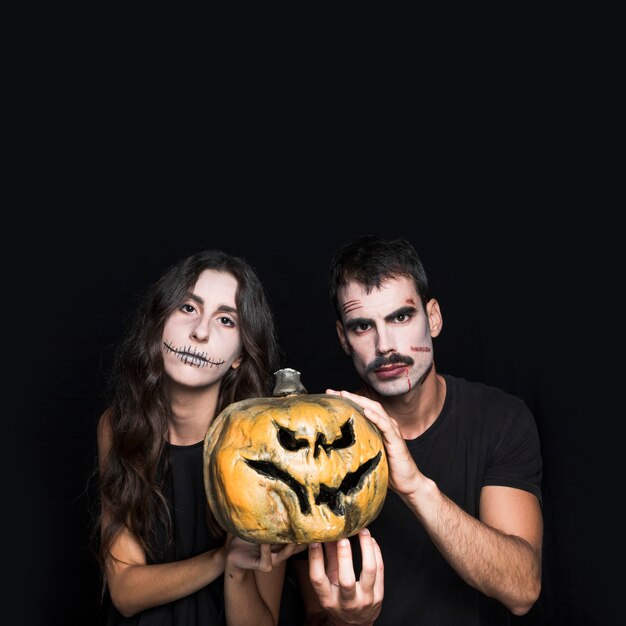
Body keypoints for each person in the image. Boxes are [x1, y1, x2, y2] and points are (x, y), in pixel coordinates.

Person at [294, 234, 543, 625]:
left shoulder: (500, 418)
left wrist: (414, 487)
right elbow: (313, 613)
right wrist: (348, 623)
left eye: (400, 317)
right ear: (343, 338)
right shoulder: (317, 436)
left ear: (434, 317)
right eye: (363, 326)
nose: (385, 345)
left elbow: (523, 589)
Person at [94, 249, 303, 626]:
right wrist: (222, 558)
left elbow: (261, 622)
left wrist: (238, 571)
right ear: (161, 320)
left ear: (240, 354)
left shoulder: (265, 447)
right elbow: (124, 592)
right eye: (188, 308)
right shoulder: (119, 426)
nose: (200, 332)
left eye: (225, 320)